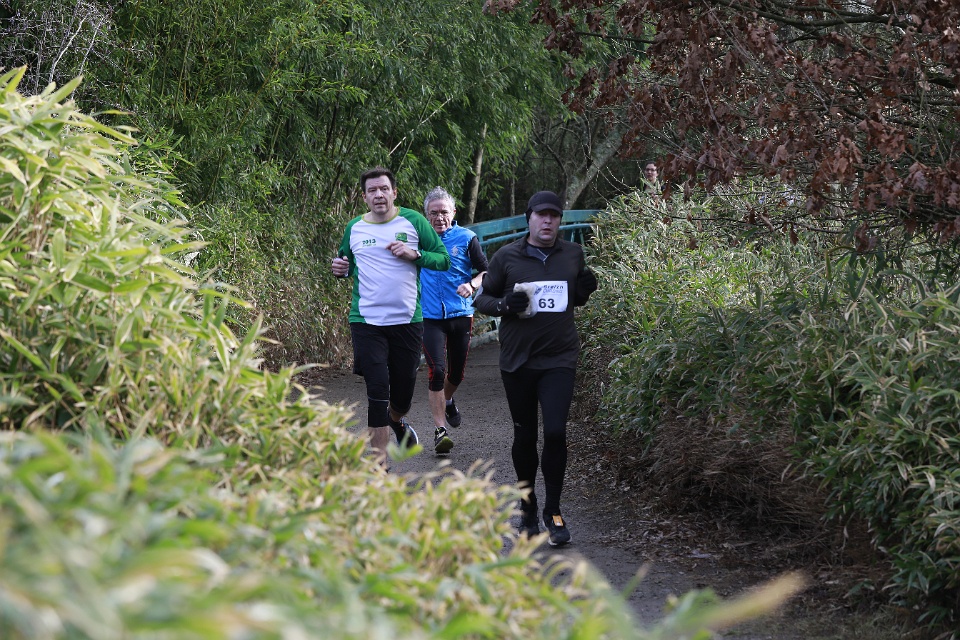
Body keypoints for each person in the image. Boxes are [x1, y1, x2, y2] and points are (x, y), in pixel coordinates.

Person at [473, 190, 598, 546]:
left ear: (559, 220)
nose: (548, 221)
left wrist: (586, 289)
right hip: (519, 361)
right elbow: (482, 299)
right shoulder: (506, 256)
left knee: (556, 432)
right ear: (528, 218)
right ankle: (528, 509)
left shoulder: (572, 253)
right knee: (525, 437)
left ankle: (553, 512)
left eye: (554, 216)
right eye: (541, 215)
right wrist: (504, 305)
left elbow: (572, 297)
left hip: (559, 358)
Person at [331, 167, 450, 467]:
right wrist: (340, 270)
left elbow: (443, 259)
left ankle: (397, 420)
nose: (379, 195)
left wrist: (415, 255)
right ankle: (379, 465)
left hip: (407, 321)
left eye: (384, 189)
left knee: (402, 395)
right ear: (364, 197)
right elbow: (346, 264)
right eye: (372, 190)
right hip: (366, 322)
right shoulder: (354, 227)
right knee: (377, 389)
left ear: (394, 193)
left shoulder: (414, 221)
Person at [419, 187, 489, 455]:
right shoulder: (418, 239)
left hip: (461, 314)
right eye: (433, 213)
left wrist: (472, 285)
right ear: (426, 215)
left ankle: (447, 400)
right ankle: (440, 431)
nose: (439, 217)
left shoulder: (467, 238)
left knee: (456, 373)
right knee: (436, 370)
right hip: (430, 317)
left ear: (454, 212)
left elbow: (486, 271)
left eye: (444, 212)